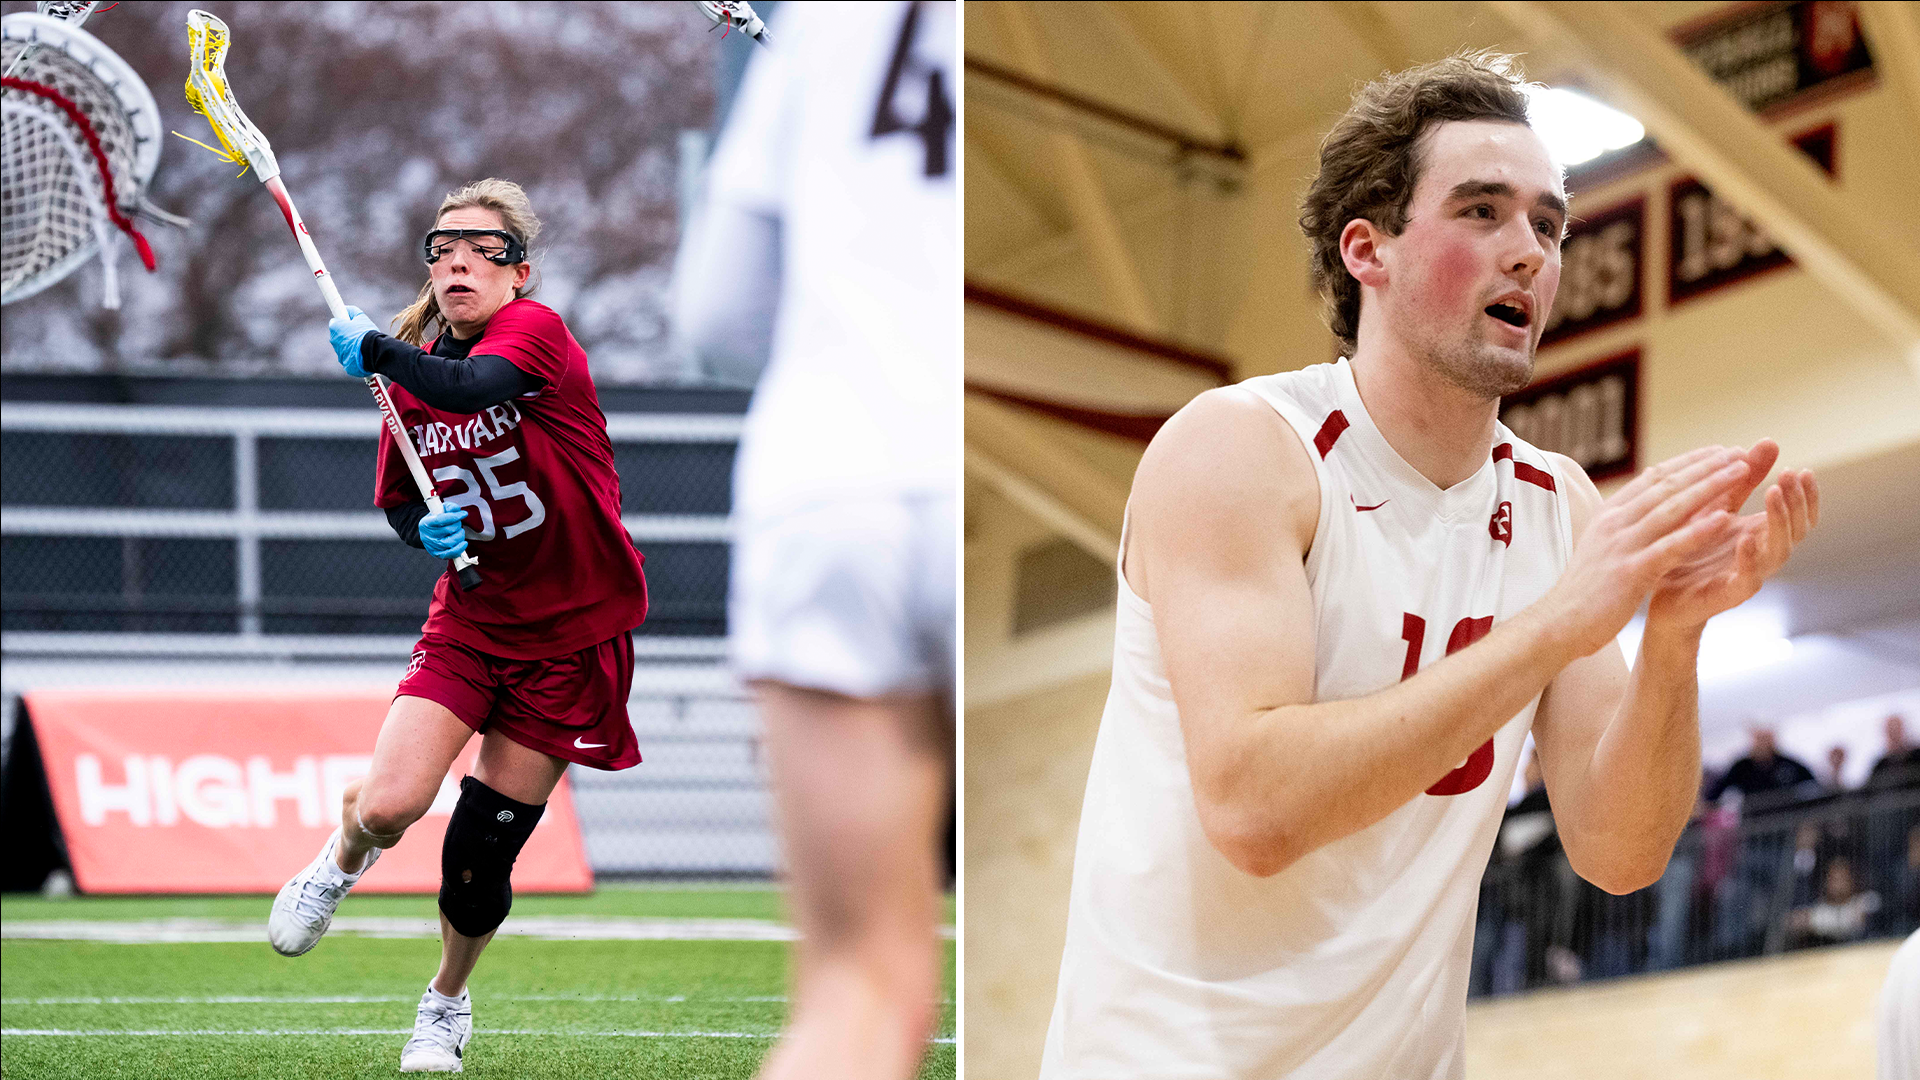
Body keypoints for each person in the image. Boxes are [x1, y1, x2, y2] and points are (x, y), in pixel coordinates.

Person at [1040, 52, 1819, 1078]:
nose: (1529, 253)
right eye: (1483, 212)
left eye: (1547, 224)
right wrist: (1554, 626)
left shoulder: (1555, 507)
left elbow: (1621, 854)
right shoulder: (1242, 447)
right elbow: (1255, 810)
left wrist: (1673, 643)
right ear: (1369, 250)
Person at [266, 178, 648, 1074]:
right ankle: (339, 860)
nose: (457, 262)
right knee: (393, 804)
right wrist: (425, 532)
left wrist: (378, 355)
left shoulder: (534, 336)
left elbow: (479, 385)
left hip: (572, 632)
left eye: (482, 248)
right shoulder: (408, 376)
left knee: (480, 853)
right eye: (441, 249)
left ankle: (442, 1004)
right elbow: (401, 503)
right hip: (472, 623)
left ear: (519, 271)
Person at [673, 4, 956, 1079]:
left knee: (859, 988)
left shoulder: (834, 20)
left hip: (831, 481)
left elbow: (717, 312)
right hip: (1001, 473)